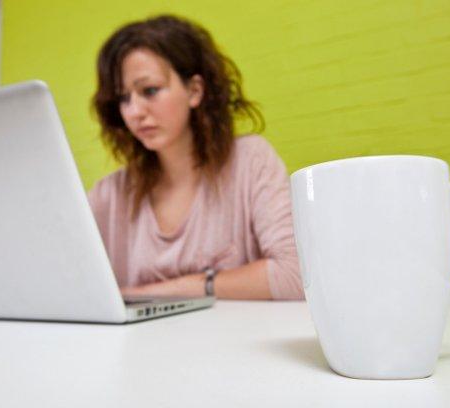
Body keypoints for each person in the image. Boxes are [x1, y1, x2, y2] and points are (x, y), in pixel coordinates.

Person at [88, 14, 304, 300]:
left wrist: (153, 292)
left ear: (194, 91)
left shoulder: (251, 161)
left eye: (149, 91)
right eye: (123, 98)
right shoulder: (110, 194)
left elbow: (295, 275)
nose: (134, 112)